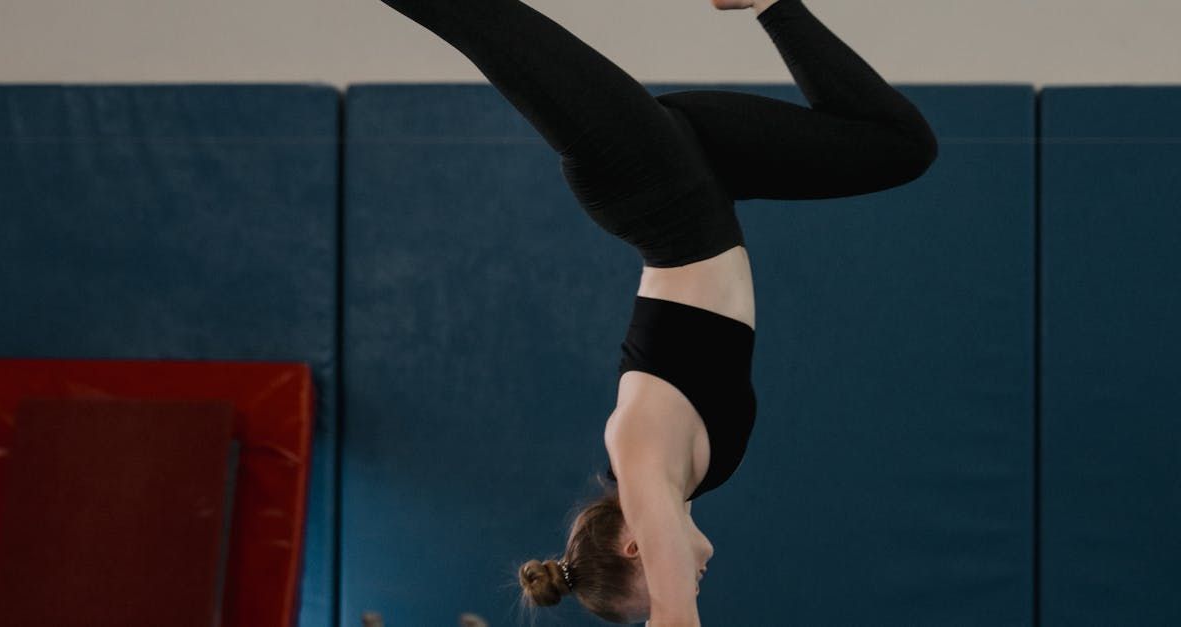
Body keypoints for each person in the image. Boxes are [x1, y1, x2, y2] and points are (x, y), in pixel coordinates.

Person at [373, 0, 938, 623]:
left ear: (635, 544)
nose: (693, 583)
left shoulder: (638, 455)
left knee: (486, 23)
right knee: (900, 147)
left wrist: (670, 611)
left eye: (662, 590)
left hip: (647, 186)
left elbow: (674, 616)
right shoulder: (690, 476)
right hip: (704, 178)